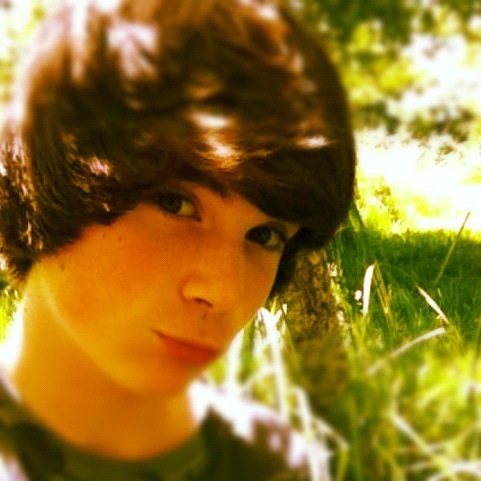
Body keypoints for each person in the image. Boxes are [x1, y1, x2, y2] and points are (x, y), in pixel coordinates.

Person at [0, 0, 356, 479]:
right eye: (174, 203)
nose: (225, 290)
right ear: (52, 179)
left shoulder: (269, 462)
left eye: (266, 235)